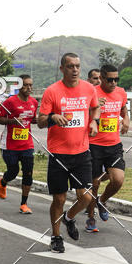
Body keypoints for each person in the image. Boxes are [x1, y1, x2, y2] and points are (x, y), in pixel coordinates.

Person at [38, 53, 99, 252]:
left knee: (87, 197)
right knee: (59, 199)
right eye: (70, 66)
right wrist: (53, 116)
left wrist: (94, 121)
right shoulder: (52, 91)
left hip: (81, 152)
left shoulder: (89, 88)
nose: (74, 70)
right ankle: (56, 237)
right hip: (59, 154)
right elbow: (40, 120)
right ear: (62, 68)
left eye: (77, 66)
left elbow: (95, 107)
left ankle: (69, 218)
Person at [86, 63, 129, 232]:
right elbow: (82, 114)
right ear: (101, 78)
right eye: (110, 79)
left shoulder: (121, 92)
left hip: (114, 145)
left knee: (117, 179)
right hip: (94, 144)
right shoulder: (92, 92)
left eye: (116, 79)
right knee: (94, 183)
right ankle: (90, 218)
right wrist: (94, 107)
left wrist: (126, 120)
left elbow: (124, 109)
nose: (114, 83)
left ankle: (102, 201)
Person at [0, 75, 38, 213]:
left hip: (27, 144)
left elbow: (33, 120)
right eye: (25, 85)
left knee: (28, 174)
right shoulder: (10, 102)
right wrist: (12, 121)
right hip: (9, 145)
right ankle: (4, 181)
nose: (29, 88)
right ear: (18, 86)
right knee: (13, 172)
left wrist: (46, 120)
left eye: (31, 85)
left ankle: (24, 204)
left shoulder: (34, 102)